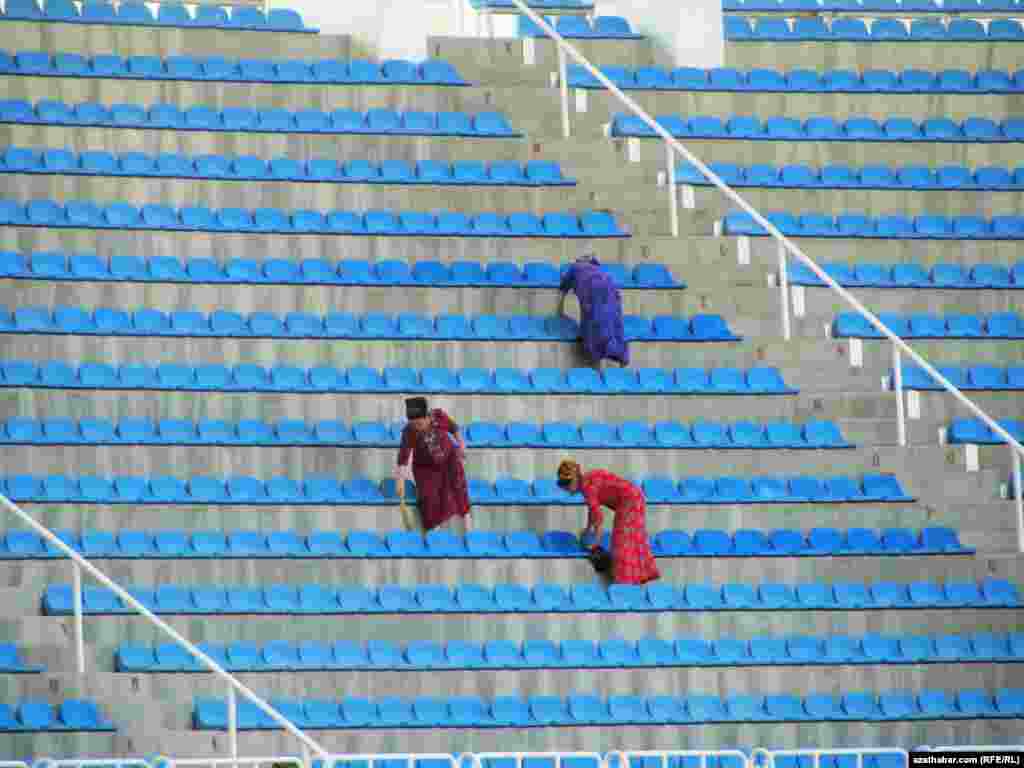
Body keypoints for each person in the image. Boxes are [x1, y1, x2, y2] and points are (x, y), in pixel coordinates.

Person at [556, 459, 660, 585]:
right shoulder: (588, 478)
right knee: (634, 540)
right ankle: (637, 579)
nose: (566, 489)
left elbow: (598, 517)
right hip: (636, 496)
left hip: (628, 502)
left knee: (621, 543)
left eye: (566, 485)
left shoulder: (587, 488)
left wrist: (596, 542)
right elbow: (592, 511)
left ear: (574, 480)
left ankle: (624, 584)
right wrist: (588, 530)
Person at [395, 397, 471, 532]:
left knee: (458, 484)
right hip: (425, 467)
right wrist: (399, 480)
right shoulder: (409, 431)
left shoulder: (438, 416)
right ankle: (434, 529)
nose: (416, 427)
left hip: (448, 458)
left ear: (427, 417)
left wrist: (461, 444)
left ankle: (466, 521)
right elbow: (403, 457)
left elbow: (454, 428)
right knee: (428, 495)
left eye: (419, 423)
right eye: (413, 424)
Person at [558, 254, 629, 368]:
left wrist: (559, 311)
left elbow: (562, 289)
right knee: (614, 324)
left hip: (593, 292)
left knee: (592, 324)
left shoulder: (575, 267)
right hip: (611, 291)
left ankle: (597, 361)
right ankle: (621, 359)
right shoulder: (601, 270)